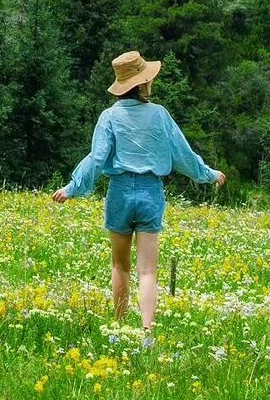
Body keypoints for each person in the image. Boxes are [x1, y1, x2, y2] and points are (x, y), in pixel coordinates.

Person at [51, 49, 224, 336]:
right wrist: (208, 174)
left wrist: (73, 187)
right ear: (143, 84)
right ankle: (146, 332)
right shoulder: (160, 115)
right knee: (148, 271)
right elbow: (182, 154)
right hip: (150, 192)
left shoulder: (108, 116)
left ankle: (118, 327)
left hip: (119, 192)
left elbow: (96, 158)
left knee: (120, 265)